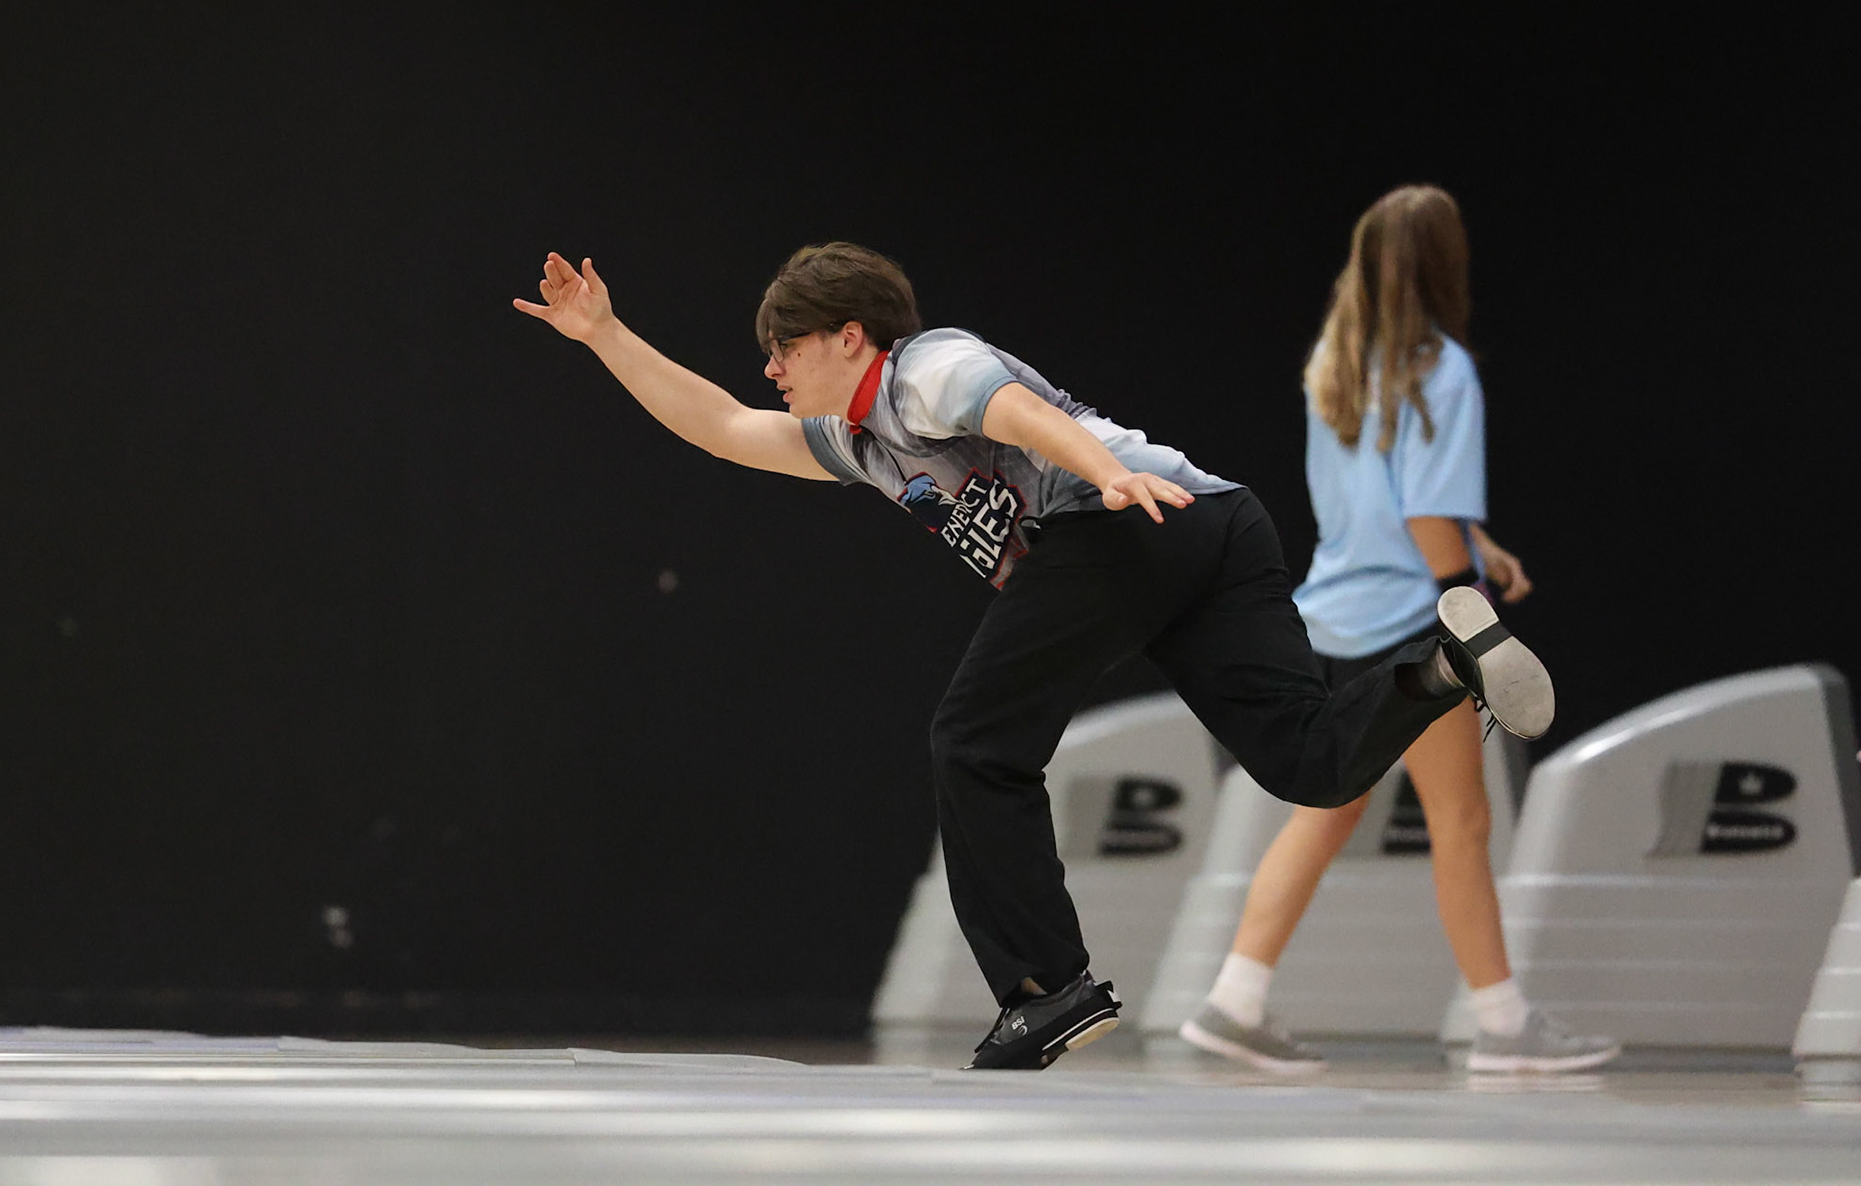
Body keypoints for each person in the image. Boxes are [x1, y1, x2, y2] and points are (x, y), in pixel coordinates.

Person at [513, 241, 1554, 1070]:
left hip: (1123, 522)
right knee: (1308, 763)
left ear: (848, 334)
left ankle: (1046, 988)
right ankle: (1443, 665)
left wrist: (1103, 474)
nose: (772, 369)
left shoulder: (922, 368)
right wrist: (605, 334)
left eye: (785, 347)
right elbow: (726, 428)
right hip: (1221, 522)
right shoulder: (860, 438)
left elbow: (1012, 409)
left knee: (972, 740)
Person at [1177, 185, 1618, 1075]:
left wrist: (1474, 541)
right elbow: (1422, 518)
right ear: (1444, 261)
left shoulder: (1336, 363)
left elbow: (1387, 500)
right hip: (1412, 635)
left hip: (1330, 621)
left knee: (1328, 812)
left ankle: (1234, 1001)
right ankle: (1502, 1027)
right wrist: (1473, 622)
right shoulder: (1442, 369)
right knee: (1462, 819)